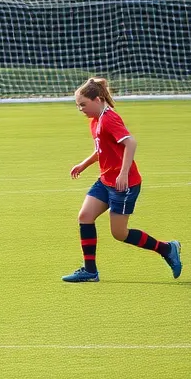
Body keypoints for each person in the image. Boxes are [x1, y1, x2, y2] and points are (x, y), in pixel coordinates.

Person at [63, 77, 182, 282]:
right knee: (85, 216)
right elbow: (101, 150)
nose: (80, 109)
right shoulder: (95, 121)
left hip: (123, 185)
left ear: (98, 100)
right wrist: (83, 164)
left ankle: (167, 248)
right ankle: (90, 271)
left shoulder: (109, 118)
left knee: (119, 233)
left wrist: (124, 172)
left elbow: (131, 143)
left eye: (83, 104)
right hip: (106, 180)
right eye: (78, 105)